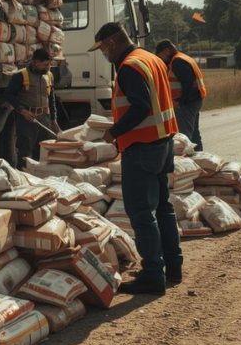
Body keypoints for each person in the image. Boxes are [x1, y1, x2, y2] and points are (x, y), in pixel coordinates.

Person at [89, 22, 182, 295]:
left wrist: (114, 132)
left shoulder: (129, 66)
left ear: (112, 44)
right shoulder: (151, 58)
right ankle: (173, 266)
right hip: (163, 142)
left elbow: (141, 105)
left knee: (142, 214)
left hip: (142, 147)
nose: (103, 54)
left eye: (103, 49)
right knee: (163, 207)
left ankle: (153, 275)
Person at [2, 48, 60, 169]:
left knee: (45, 151)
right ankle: (24, 179)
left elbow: (51, 99)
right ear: (35, 62)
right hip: (27, 120)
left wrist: (53, 119)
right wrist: (23, 111)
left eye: (49, 64)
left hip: (44, 119)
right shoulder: (21, 75)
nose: (48, 67)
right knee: (25, 153)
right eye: (45, 64)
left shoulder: (49, 75)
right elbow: (9, 95)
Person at [155, 39, 207, 151]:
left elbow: (187, 83)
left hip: (187, 103)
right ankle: (199, 157)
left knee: (184, 136)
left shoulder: (177, 61)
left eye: (160, 56)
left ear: (167, 51)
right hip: (195, 100)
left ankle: (188, 161)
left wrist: (180, 101)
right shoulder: (183, 57)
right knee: (193, 133)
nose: (160, 59)